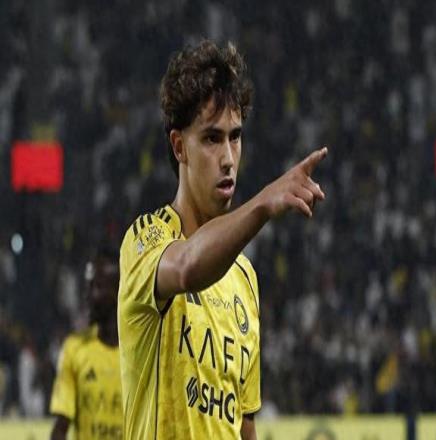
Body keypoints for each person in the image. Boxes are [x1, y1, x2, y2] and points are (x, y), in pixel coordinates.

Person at [118, 39, 327, 440]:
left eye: (235, 137)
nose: (229, 158)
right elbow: (187, 268)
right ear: (180, 146)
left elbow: (244, 422)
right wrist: (264, 203)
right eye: (212, 139)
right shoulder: (145, 240)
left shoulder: (244, 278)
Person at [50, 249, 122, 440]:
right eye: (87, 287)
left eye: (96, 287)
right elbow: (60, 428)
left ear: (119, 291)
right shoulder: (74, 349)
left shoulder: (142, 352)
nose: (87, 296)